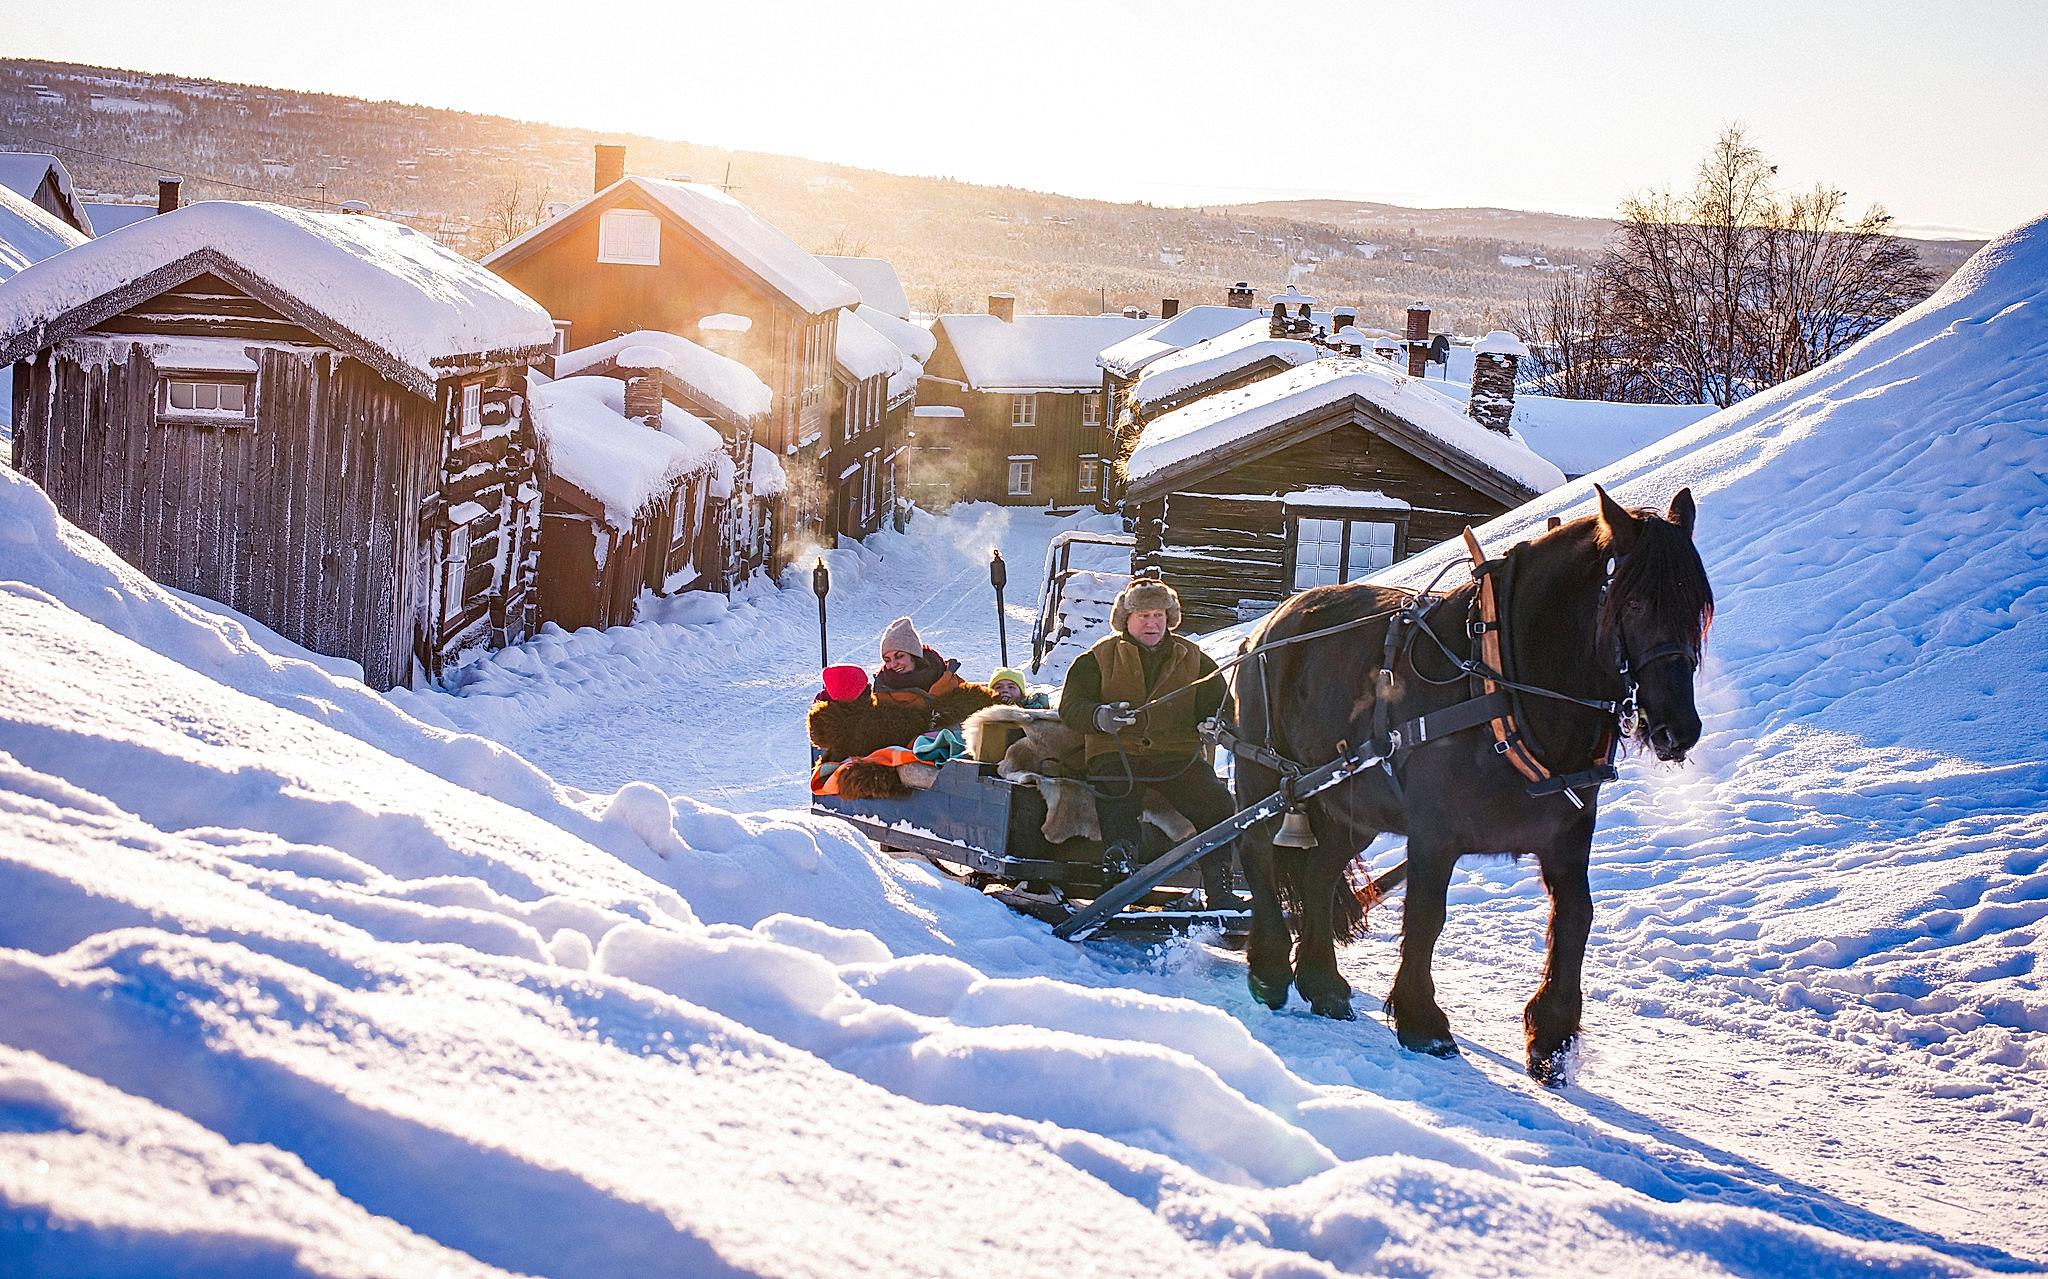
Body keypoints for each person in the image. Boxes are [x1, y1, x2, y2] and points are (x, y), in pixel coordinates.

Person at [1058, 578, 1241, 907]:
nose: (1152, 622)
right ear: (1124, 620)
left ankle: (1220, 889)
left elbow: (1222, 704)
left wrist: (1218, 723)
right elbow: (1070, 707)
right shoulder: (1097, 658)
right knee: (1118, 795)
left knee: (1217, 803)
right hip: (1115, 752)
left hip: (1176, 756)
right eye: (1143, 615)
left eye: (1158, 614)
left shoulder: (1196, 659)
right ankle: (1119, 876)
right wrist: (1099, 716)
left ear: (1169, 617)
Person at [874, 616, 963, 703]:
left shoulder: (947, 676)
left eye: (899, 656)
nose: (893, 664)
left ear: (914, 655)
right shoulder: (882, 692)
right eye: (887, 660)